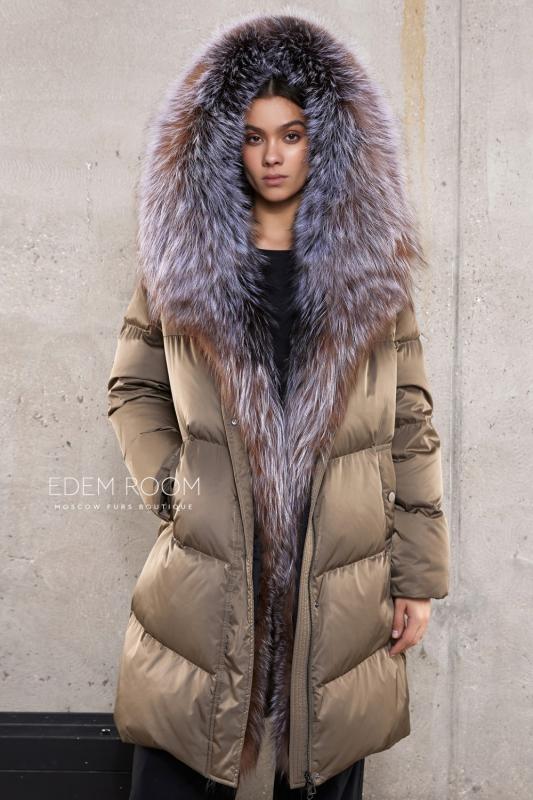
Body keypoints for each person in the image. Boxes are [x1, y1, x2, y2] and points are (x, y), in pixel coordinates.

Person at [107, 11, 450, 800]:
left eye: (291, 135)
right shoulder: (179, 261)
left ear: (323, 141)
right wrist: (175, 487)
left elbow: (409, 421)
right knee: (180, 756)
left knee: (322, 761)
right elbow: (133, 387)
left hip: (339, 567)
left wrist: (417, 578)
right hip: (211, 564)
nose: (271, 156)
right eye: (253, 136)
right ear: (222, 143)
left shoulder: (372, 270)